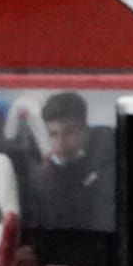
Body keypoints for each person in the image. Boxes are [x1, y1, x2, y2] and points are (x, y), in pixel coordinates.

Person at [29, 91, 114, 233]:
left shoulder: (108, 166)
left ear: (85, 130)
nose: (61, 144)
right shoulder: (47, 173)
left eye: (69, 133)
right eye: (54, 135)